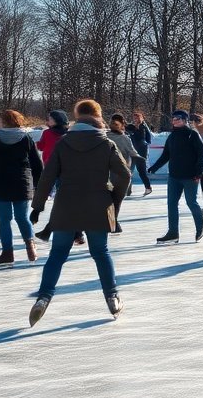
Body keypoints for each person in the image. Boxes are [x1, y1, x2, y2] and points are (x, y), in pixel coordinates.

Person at [27, 99, 130, 326]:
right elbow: (124, 176)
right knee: (100, 253)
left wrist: (38, 205)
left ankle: (44, 297)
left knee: (57, 255)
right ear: (98, 118)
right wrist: (113, 201)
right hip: (97, 206)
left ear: (77, 117)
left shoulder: (64, 143)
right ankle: (112, 297)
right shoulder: (106, 144)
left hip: (66, 206)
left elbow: (47, 176)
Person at [0, 109, 43, 266]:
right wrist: (38, 183)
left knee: (4, 219)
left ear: (4, 122)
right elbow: (36, 163)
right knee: (22, 217)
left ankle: (7, 253)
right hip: (22, 182)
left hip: (2, 182)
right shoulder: (26, 138)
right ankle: (31, 249)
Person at [148, 109, 203, 245]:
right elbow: (166, 155)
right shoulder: (172, 136)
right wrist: (154, 167)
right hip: (174, 176)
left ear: (185, 120)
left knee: (191, 202)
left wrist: (198, 173)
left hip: (190, 177)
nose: (175, 121)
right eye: (173, 119)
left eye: (178, 118)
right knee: (171, 204)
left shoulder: (192, 135)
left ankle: (200, 228)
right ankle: (173, 233)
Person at [106, 115, 145, 233]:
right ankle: (113, 223)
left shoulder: (104, 137)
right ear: (122, 125)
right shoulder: (125, 138)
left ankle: (111, 222)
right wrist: (140, 158)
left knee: (108, 199)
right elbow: (133, 152)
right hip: (121, 173)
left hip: (106, 173)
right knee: (117, 200)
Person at [126, 111, 154, 196]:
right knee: (128, 171)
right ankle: (128, 190)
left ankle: (148, 187)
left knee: (141, 171)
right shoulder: (133, 127)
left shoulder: (143, 127)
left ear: (141, 118)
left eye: (137, 117)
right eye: (134, 118)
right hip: (133, 151)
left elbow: (141, 139)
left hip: (140, 152)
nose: (135, 119)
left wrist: (133, 133)